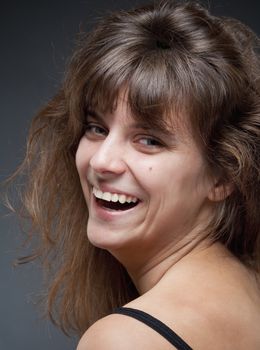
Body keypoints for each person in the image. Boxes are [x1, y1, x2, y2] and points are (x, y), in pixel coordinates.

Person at [10, 0, 260, 349]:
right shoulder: (249, 282)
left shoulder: (126, 339)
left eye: (149, 140)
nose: (102, 161)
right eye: (96, 127)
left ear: (222, 177)